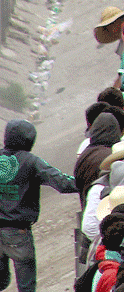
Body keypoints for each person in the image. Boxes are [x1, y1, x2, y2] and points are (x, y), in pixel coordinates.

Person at [0, 119, 75, 292]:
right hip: (18, 232)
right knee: (26, 286)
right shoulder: (31, 161)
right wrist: (86, 181)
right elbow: (62, 183)